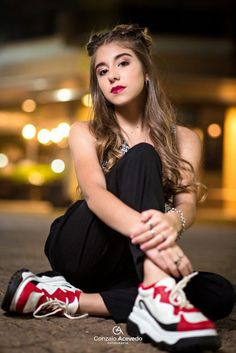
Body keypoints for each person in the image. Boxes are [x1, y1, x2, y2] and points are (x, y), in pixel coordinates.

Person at [1, 24, 235, 352]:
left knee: (218, 293)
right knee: (141, 156)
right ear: (97, 83)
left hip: (125, 260)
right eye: (102, 70)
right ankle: (157, 292)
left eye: (123, 63)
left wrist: (173, 221)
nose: (112, 75)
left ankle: (67, 299)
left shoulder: (185, 138)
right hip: (81, 245)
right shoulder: (86, 131)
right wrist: (157, 247)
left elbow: (188, 204)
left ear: (146, 71)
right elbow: (95, 196)